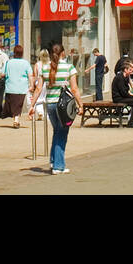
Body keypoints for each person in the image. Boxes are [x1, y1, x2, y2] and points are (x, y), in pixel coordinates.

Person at [41, 43, 82, 174]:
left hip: (50, 104)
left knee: (57, 131)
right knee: (62, 133)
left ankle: (53, 161)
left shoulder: (45, 67)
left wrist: (32, 105)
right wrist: (80, 104)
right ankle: (59, 166)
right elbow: (74, 88)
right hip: (63, 106)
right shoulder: (69, 67)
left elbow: (38, 88)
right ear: (63, 53)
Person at [2, 44, 33, 127]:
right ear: (22, 53)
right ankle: (16, 119)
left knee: (13, 105)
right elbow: (30, 75)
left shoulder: (8, 62)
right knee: (18, 105)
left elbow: (2, 74)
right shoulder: (26, 63)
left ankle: (16, 119)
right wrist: (31, 85)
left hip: (10, 87)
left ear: (14, 53)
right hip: (21, 87)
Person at [112, 60, 133, 126]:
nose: (132, 70)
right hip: (118, 98)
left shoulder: (126, 76)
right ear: (125, 70)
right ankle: (131, 123)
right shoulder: (119, 77)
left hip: (123, 97)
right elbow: (124, 93)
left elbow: (131, 86)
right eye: (130, 69)